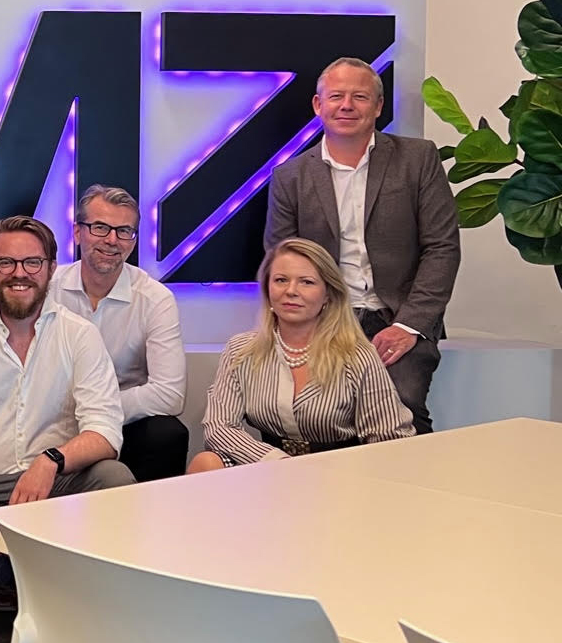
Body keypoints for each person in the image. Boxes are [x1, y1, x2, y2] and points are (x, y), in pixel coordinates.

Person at [0, 215, 131, 601]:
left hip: (59, 484)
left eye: (32, 263)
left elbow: (105, 430)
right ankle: (32, 569)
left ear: (51, 268)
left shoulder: (80, 335)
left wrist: (50, 460)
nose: (19, 274)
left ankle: (44, 568)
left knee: (115, 478)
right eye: (6, 263)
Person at [266, 56, 461, 434]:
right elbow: (282, 259)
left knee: (399, 405)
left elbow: (442, 247)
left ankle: (410, 491)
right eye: (336, 96)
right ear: (318, 105)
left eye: (360, 96)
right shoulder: (290, 176)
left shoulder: (418, 159)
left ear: (378, 106)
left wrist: (409, 325)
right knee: (310, 412)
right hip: (325, 318)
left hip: (399, 316)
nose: (347, 105)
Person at [191, 238, 414, 470]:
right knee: (206, 463)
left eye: (306, 282)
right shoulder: (241, 350)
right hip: (270, 467)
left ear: (328, 294)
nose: (291, 291)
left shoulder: (356, 355)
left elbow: (388, 437)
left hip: (341, 473)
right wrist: (278, 462)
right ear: (268, 289)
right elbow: (219, 427)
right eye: (281, 280)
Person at [51, 185, 189, 481]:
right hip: (51, 417)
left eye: (124, 231)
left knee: (168, 433)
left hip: (123, 422)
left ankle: (151, 525)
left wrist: (96, 413)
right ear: (77, 232)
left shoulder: (155, 299)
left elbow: (170, 394)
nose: (112, 240)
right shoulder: (48, 288)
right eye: (100, 227)